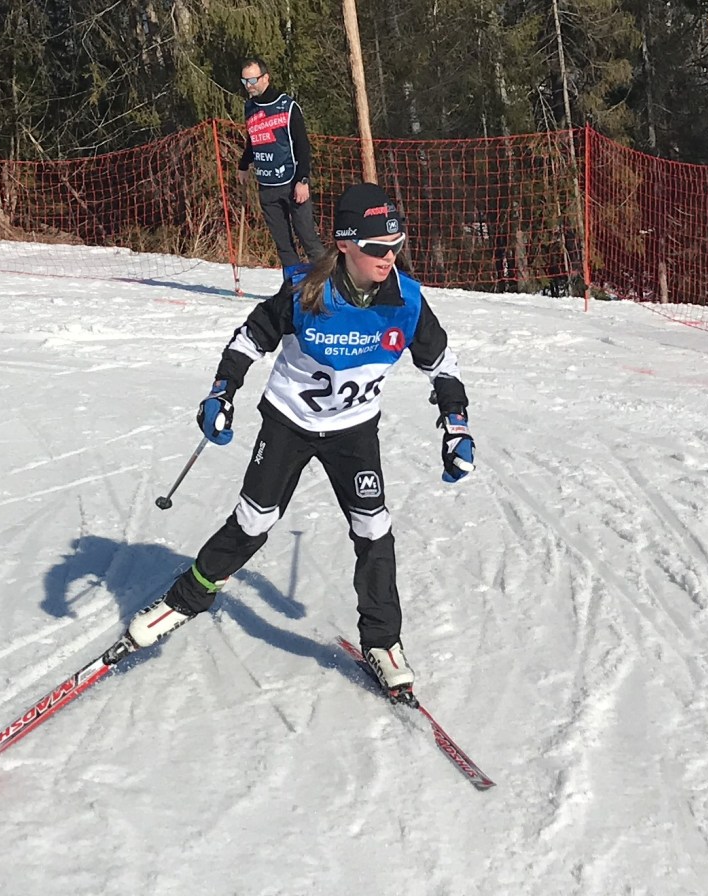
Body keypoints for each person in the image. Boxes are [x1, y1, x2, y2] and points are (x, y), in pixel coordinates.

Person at [126, 183, 475, 698]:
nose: (389, 257)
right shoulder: (306, 291)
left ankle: (382, 641)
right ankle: (183, 601)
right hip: (289, 422)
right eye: (377, 248)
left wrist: (456, 424)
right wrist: (222, 392)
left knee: (373, 529)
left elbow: (441, 364)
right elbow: (251, 337)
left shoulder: (407, 300)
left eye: (396, 245)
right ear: (346, 244)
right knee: (254, 521)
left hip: (353, 429)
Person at [237, 56, 323, 278]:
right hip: (266, 186)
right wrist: (243, 164)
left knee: (307, 238)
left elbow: (302, 146)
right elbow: (254, 139)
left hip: (291, 183)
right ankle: (294, 286)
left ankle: (330, 284)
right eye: (245, 81)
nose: (249, 86)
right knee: (283, 245)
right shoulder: (250, 108)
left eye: (252, 80)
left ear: (266, 78)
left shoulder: (287, 106)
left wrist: (303, 180)